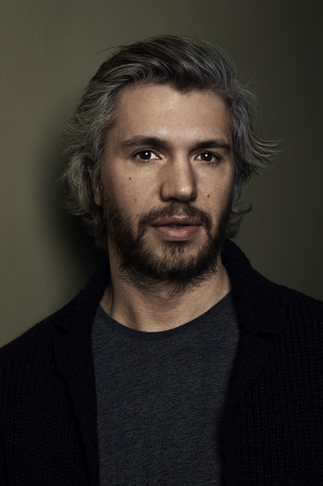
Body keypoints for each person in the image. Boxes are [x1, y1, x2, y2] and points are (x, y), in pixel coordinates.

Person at [1, 34, 323, 486]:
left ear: (233, 177)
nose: (182, 187)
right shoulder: (14, 384)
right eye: (147, 153)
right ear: (95, 181)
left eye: (207, 155)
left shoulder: (314, 345)